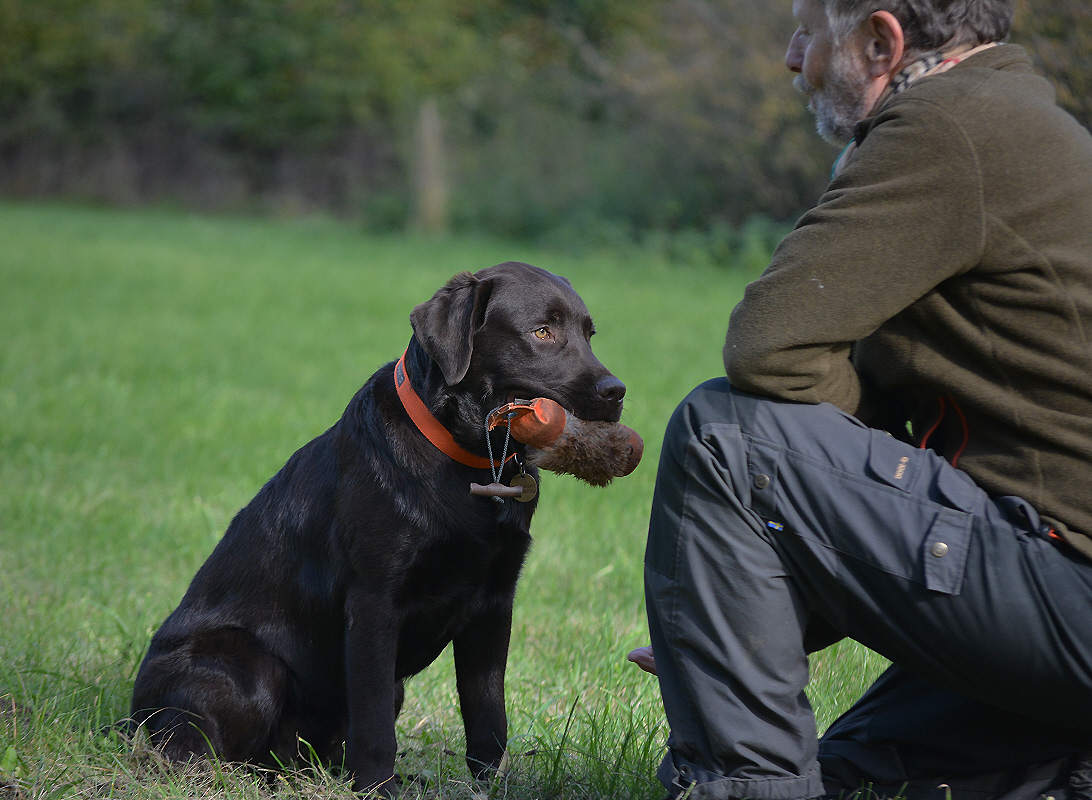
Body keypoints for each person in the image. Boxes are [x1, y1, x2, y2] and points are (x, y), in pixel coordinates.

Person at [629, 0, 1092, 798]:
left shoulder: (945, 126)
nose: (790, 56)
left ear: (880, 42)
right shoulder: (1019, 117)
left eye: (809, 31)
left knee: (725, 437)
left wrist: (778, 566)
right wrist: (763, 605)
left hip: (1066, 588)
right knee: (855, 778)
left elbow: (769, 346)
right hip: (1062, 597)